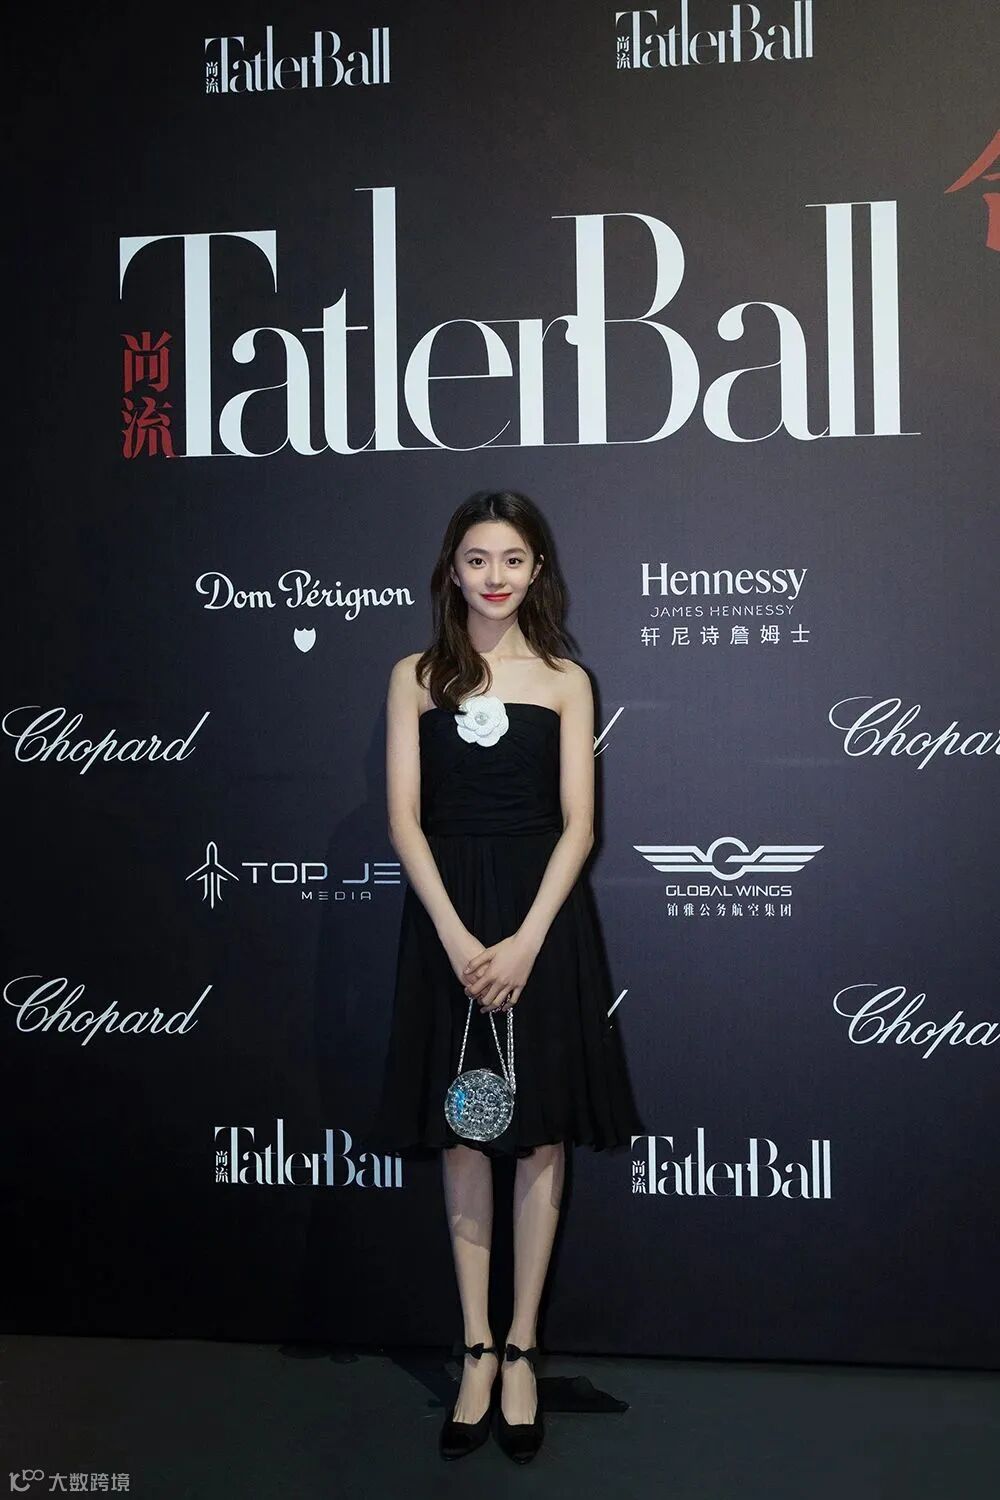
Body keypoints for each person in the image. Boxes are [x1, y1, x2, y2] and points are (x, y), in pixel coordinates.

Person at [366, 488, 645, 1463]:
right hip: (447, 919)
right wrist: (454, 936)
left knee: (538, 1138)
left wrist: (526, 940)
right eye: (478, 558)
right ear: (451, 569)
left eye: (513, 559)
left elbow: (580, 826)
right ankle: (476, 1349)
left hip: (542, 924)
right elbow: (405, 820)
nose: (495, 576)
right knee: (462, 1131)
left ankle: (522, 1347)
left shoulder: (567, 680)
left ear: (538, 571)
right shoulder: (413, 676)